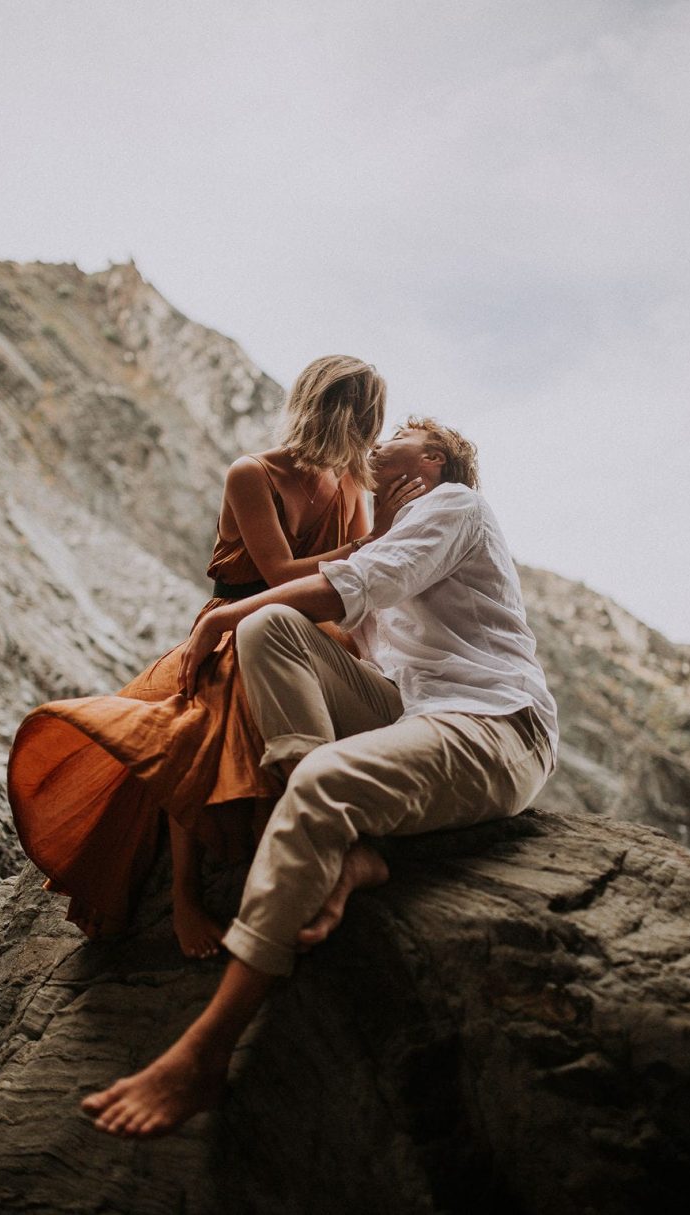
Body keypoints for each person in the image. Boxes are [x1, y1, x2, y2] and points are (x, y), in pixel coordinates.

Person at [81, 415, 560, 1138]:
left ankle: (205, 1052)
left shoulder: (456, 506)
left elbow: (355, 587)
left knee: (318, 766)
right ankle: (338, 845)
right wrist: (259, 610)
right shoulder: (401, 530)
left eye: (398, 431)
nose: (378, 439)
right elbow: (350, 631)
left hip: (494, 723)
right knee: (268, 631)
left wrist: (219, 616)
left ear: (429, 459)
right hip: (412, 709)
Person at [8, 355, 421, 960]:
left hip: (308, 628)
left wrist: (370, 660)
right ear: (330, 411)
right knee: (206, 716)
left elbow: (349, 586)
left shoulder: (354, 485)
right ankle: (184, 896)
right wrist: (371, 542)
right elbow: (279, 572)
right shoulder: (251, 474)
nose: (369, 433)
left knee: (310, 701)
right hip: (234, 621)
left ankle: (281, 855)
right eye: (363, 417)